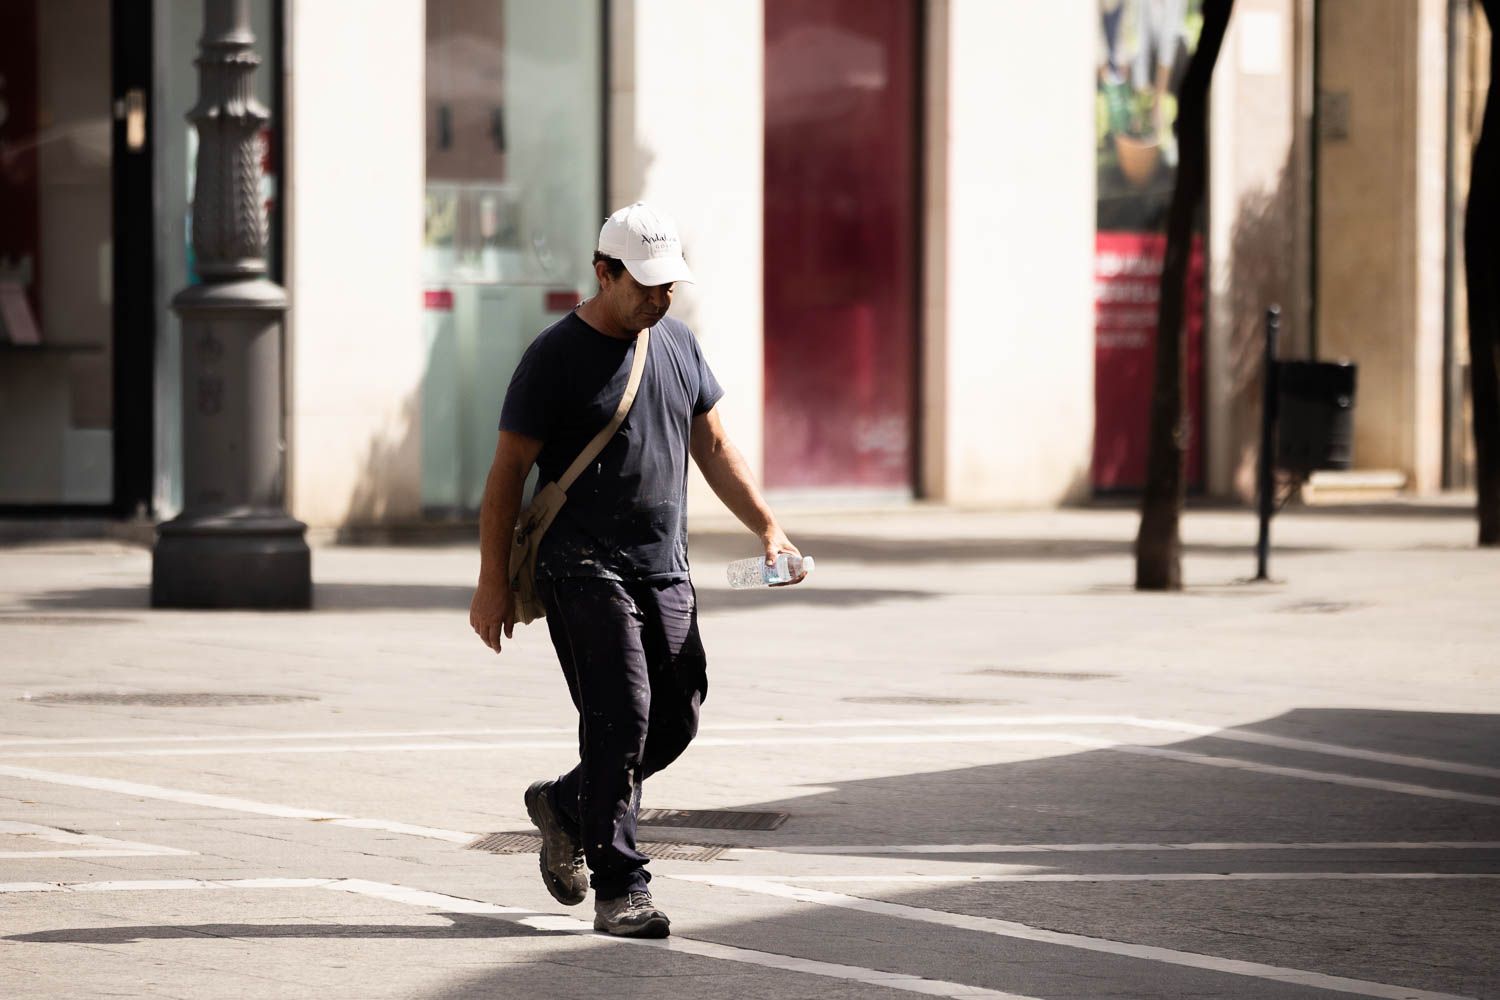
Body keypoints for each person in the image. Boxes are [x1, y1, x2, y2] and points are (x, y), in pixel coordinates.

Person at [468, 202, 806, 939]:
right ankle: (622, 886)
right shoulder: (553, 357)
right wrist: (492, 580)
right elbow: (507, 474)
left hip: (665, 567)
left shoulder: (677, 344)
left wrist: (769, 530)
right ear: (602, 272)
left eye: (668, 286)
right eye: (645, 285)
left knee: (676, 718)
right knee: (619, 718)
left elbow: (714, 447)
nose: (659, 298)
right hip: (581, 568)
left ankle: (563, 804)